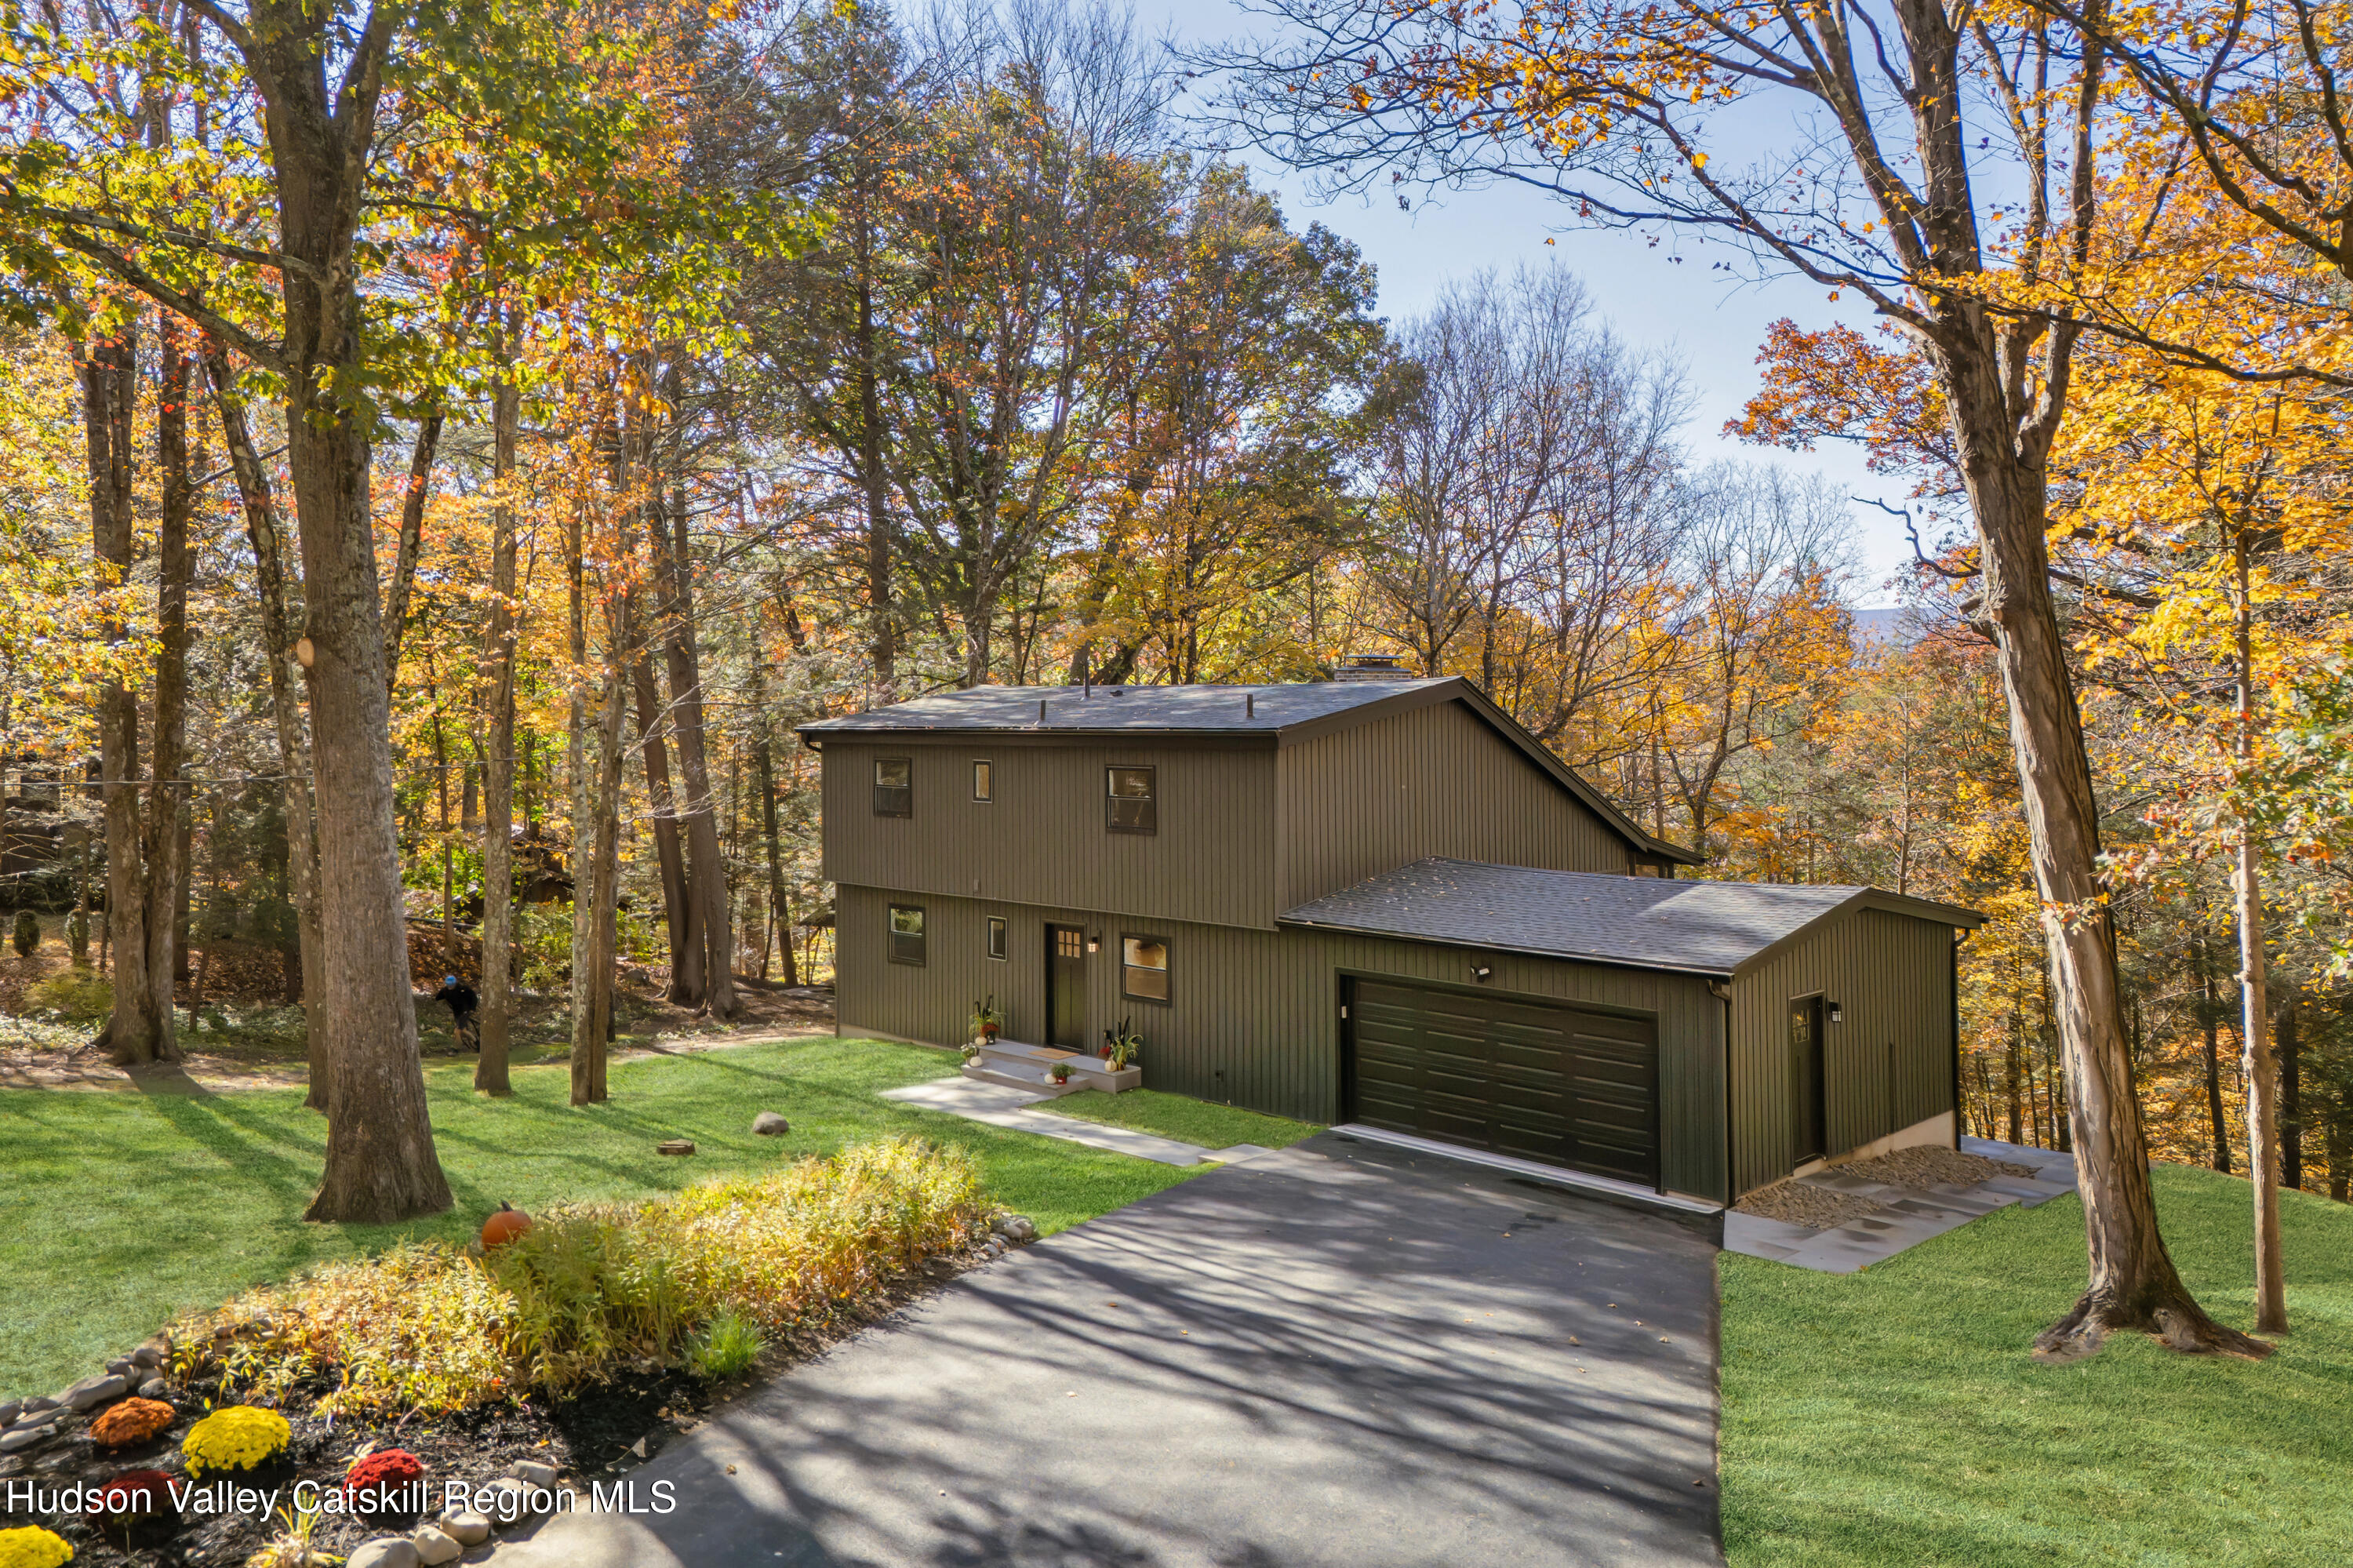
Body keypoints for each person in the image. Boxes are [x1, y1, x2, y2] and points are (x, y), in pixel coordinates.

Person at [433, 973, 480, 1053]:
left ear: (455, 984)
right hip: (457, 1013)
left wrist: (472, 1008)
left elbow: (473, 997)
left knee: (457, 1031)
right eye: (449, 986)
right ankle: (477, 1043)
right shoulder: (445, 991)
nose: (450, 987)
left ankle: (455, 1049)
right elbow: (437, 998)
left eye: (452, 985)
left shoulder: (463, 989)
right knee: (463, 1031)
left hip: (465, 1011)